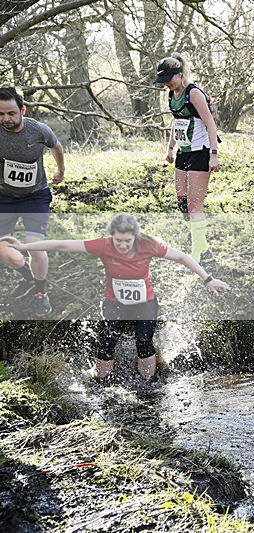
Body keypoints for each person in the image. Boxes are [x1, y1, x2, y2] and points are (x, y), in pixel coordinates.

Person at [2, 213, 229, 381]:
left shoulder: (149, 245)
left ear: (135, 237)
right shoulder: (104, 245)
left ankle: (149, 384)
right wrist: (23, 246)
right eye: (118, 240)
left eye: (126, 241)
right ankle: (102, 383)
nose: (121, 245)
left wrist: (208, 279)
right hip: (114, 303)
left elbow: (182, 257)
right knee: (106, 342)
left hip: (146, 303)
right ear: (112, 237)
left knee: (144, 342)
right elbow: (64, 244)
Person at [0, 87, 65, 317]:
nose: (6, 119)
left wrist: (60, 171)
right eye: (0, 114)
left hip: (35, 195)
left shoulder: (38, 130)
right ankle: (28, 279)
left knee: (34, 246)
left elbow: (56, 146)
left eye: (11, 113)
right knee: (3, 250)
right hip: (5, 197)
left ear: (22, 110)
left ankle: (41, 293)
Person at [155, 52, 219, 268]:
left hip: (201, 150)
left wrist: (214, 154)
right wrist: (170, 147)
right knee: (183, 202)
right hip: (184, 152)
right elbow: (177, 122)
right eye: (163, 82)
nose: (166, 85)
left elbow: (210, 124)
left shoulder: (194, 93)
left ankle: (196, 254)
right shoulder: (172, 95)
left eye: (168, 80)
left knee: (194, 205)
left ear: (179, 74)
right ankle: (204, 248)